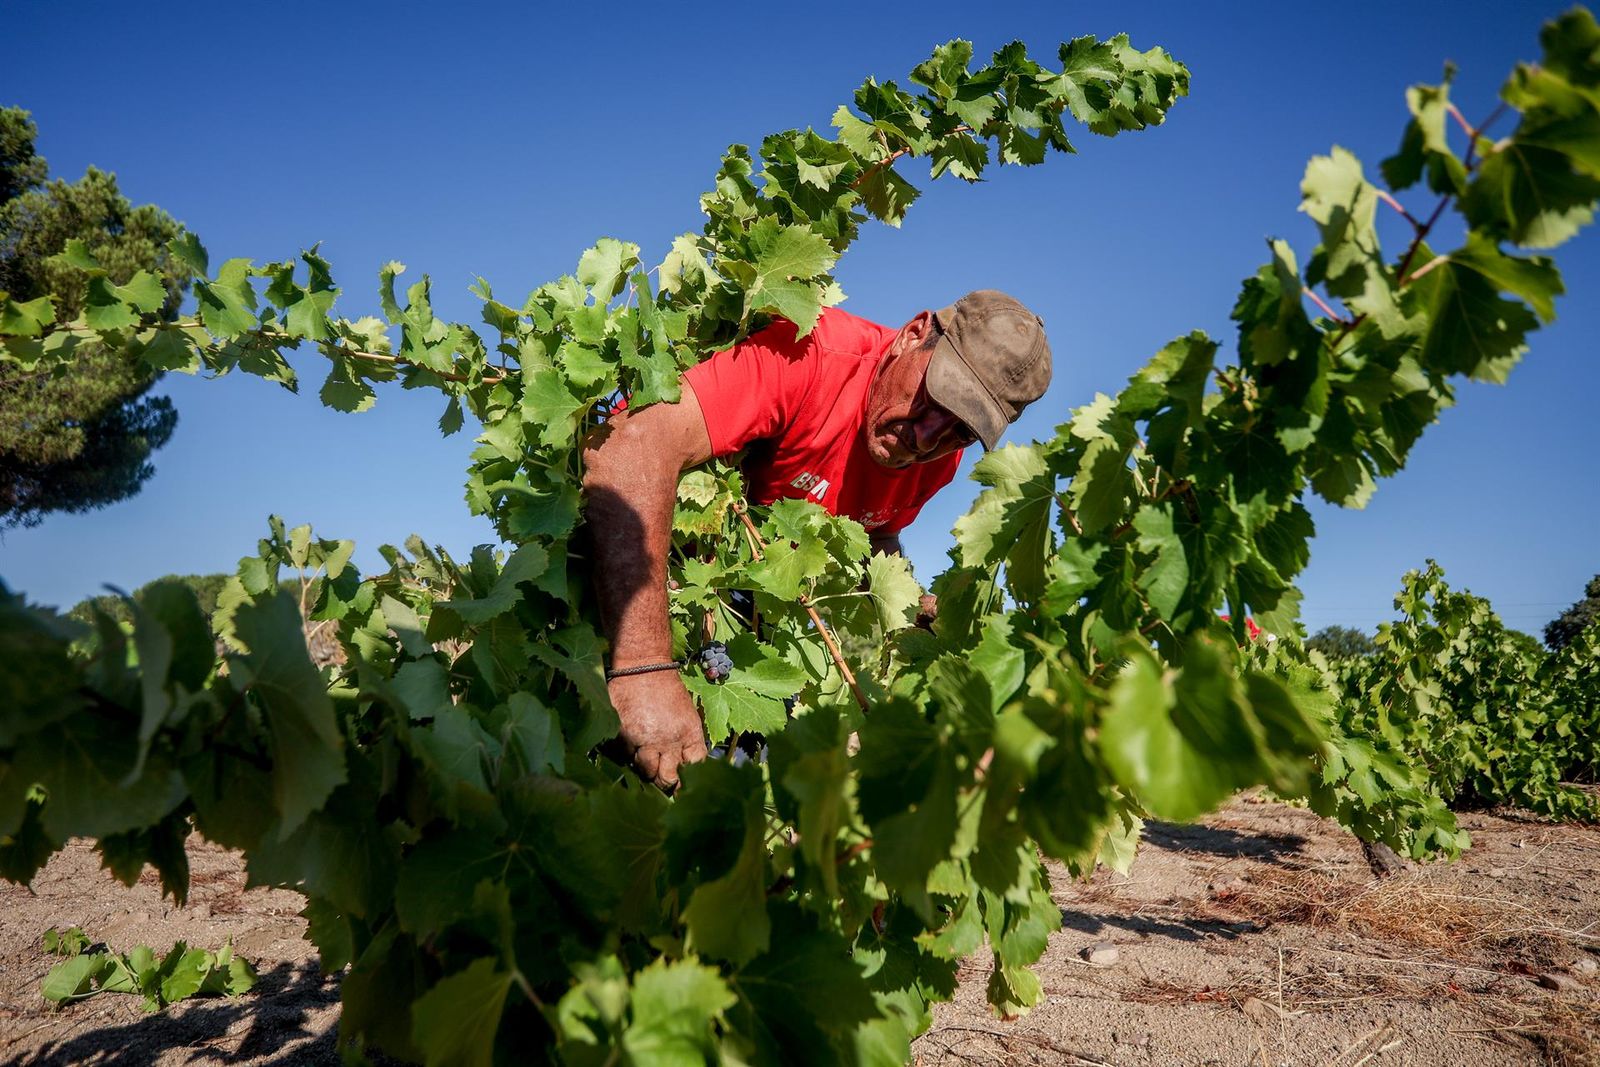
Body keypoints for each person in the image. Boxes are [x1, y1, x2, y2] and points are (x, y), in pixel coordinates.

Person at [580, 289, 1052, 789]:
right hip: (663, 575)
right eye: (938, 399)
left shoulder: (937, 463)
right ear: (913, 334)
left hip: (773, 616)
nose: (928, 437)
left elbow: (878, 531)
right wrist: (643, 667)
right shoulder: (812, 354)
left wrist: (910, 603)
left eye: (961, 430)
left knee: (737, 798)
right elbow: (628, 446)